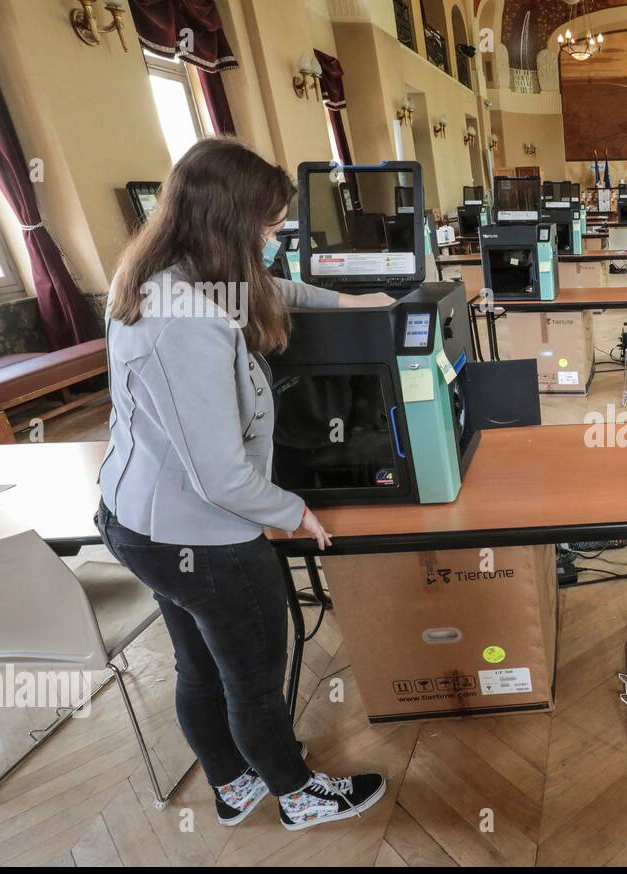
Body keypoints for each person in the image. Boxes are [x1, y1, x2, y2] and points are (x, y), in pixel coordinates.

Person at [98, 138, 396, 831]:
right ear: (229, 223)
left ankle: (233, 786)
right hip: (197, 534)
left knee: (200, 664)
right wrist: (295, 512)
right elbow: (220, 474)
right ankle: (295, 794)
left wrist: (354, 305)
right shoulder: (186, 322)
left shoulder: (172, 274)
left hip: (145, 521)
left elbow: (274, 289)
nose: (276, 239)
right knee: (253, 674)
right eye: (267, 228)